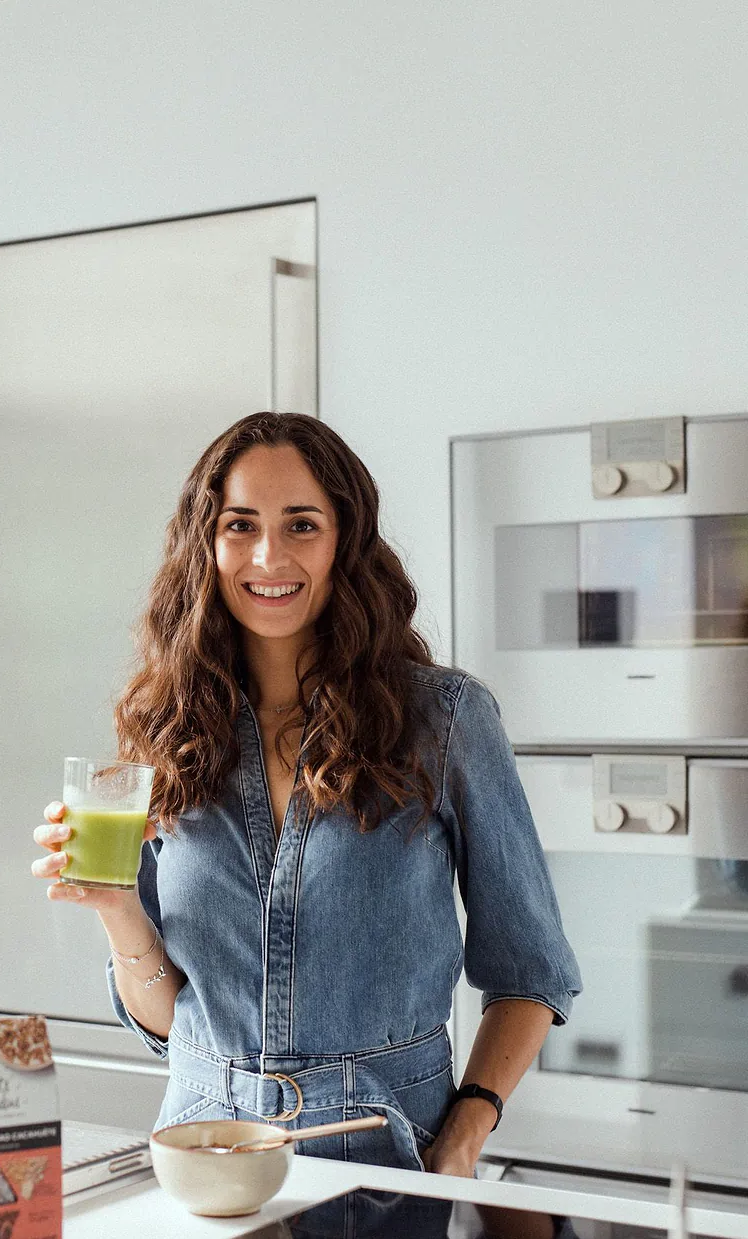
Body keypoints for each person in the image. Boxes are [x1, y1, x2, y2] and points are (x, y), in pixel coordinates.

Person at [32, 412, 581, 1175]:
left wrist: (464, 1133)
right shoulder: (169, 729)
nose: (268, 555)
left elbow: (530, 971)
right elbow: (166, 1021)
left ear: (344, 542)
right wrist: (116, 908)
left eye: (301, 524)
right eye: (240, 524)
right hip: (202, 1151)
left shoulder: (443, 721)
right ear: (206, 544)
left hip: (388, 1150)